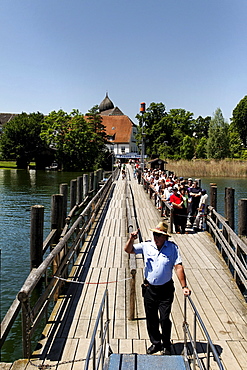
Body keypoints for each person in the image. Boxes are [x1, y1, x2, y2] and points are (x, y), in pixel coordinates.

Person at [124, 222, 191, 355]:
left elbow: (178, 266)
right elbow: (128, 250)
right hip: (149, 289)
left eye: (159, 235)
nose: (156, 237)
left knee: (164, 318)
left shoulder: (172, 248)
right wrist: (131, 239)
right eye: (155, 234)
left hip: (165, 289)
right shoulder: (146, 245)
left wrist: (184, 286)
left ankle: (166, 344)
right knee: (151, 318)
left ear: (165, 237)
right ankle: (156, 343)